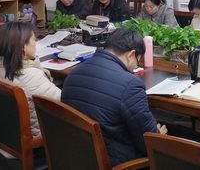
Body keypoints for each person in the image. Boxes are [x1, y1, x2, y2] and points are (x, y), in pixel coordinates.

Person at [61, 28, 166, 166]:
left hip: (75, 155)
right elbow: (148, 142)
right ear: (131, 55)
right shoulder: (130, 85)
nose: (136, 66)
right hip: (112, 161)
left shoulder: (74, 73)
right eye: (138, 61)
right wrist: (157, 134)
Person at [0, 22, 61, 138]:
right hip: (37, 134)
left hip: (10, 132)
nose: (36, 44)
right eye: (34, 40)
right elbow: (63, 102)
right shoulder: (31, 76)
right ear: (23, 47)